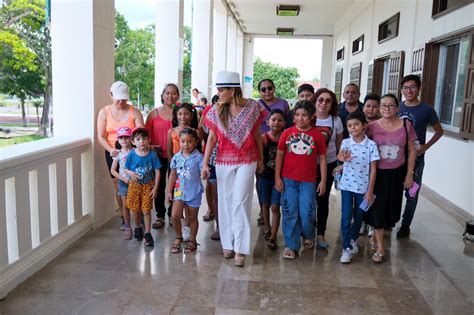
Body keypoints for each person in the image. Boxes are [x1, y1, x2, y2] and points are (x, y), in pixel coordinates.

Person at [201, 71, 265, 267]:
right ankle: (227, 243)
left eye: (221, 90)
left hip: (248, 159)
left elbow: (256, 135)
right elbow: (212, 138)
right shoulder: (216, 110)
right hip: (223, 160)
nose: (218, 94)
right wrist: (205, 163)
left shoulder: (253, 107)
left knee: (241, 200)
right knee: (226, 201)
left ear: (233, 89)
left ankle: (240, 248)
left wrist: (261, 159)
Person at [365, 94, 416, 263]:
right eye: (383, 105)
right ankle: (380, 247)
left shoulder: (406, 125)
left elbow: (412, 151)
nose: (387, 108)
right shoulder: (371, 127)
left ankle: (375, 237)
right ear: (379, 108)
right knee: (378, 208)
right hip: (377, 173)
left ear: (397, 108)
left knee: (391, 210)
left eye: (391, 105)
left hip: (397, 173)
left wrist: (409, 173)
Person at [275, 101, 327, 260]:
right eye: (297, 115)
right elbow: (279, 156)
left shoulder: (317, 135)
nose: (300, 118)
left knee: (307, 212)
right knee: (290, 211)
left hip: (308, 182)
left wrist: (323, 180)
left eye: (304, 115)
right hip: (288, 180)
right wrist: (277, 177)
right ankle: (291, 245)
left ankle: (307, 234)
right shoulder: (287, 133)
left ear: (312, 117)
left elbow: (323, 159)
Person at [397, 74, 443, 238]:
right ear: (401, 90)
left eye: (412, 87)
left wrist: (425, 147)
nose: (409, 91)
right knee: (394, 190)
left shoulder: (427, 109)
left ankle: (405, 225)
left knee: (412, 192)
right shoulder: (397, 107)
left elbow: (439, 131)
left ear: (419, 88)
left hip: (416, 158)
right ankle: (389, 220)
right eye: (405, 88)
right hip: (396, 156)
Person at [97, 81, 144, 226]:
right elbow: (101, 136)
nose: (121, 101)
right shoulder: (104, 112)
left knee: (135, 183)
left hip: (133, 153)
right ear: (111, 95)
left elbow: (141, 133)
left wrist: (136, 150)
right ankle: (125, 216)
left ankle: (138, 213)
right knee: (118, 185)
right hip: (113, 153)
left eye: (124, 98)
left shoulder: (134, 111)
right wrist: (111, 150)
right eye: (118, 98)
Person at [337, 112, 380, 263]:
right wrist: (343, 159)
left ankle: (352, 239)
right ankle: (346, 248)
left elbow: (374, 169)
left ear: (364, 126)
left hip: (363, 188)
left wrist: (370, 191)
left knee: (360, 217)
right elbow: (340, 157)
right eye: (349, 125)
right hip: (346, 186)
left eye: (356, 124)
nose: (352, 127)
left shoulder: (371, 145)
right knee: (346, 216)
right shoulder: (346, 143)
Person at [314, 88, 344, 248]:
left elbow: (340, 145)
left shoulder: (336, 120)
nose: (324, 103)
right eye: (321, 99)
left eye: (328, 100)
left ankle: (321, 234)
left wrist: (341, 165)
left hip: (330, 162)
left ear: (332, 104)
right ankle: (307, 230)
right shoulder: (308, 117)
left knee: (323, 199)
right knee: (308, 199)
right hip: (308, 165)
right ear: (315, 100)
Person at [146, 83, 178, 228]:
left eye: (173, 93)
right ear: (162, 95)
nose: (170, 96)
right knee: (159, 186)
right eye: (167, 93)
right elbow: (145, 135)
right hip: (157, 156)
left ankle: (173, 213)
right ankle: (160, 215)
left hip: (177, 156)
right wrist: (151, 147)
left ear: (177, 96)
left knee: (175, 186)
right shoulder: (154, 113)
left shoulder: (180, 113)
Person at [168, 128, 204, 254]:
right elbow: (172, 174)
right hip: (179, 191)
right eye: (183, 141)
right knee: (175, 216)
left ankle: (192, 240)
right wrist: (169, 190)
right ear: (179, 141)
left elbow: (203, 172)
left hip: (194, 192)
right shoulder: (176, 157)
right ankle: (178, 237)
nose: (186, 144)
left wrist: (206, 173)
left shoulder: (199, 157)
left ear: (195, 142)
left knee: (193, 217)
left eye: (189, 142)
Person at [124, 127, 161, 247]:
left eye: (144, 138)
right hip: (134, 186)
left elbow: (158, 171)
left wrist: (155, 188)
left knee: (146, 210)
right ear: (133, 142)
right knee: (135, 209)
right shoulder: (131, 155)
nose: (142, 141)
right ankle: (138, 227)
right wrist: (130, 173)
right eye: (138, 139)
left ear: (149, 140)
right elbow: (126, 168)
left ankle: (148, 233)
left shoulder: (152, 155)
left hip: (148, 186)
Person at [257, 109, 285, 249]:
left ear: (284, 123)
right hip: (264, 177)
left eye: (280, 120)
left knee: (275, 206)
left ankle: (273, 236)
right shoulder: (263, 137)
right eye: (273, 119)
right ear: (268, 122)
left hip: (278, 178)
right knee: (265, 205)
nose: (276, 123)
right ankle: (267, 228)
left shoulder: (285, 138)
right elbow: (259, 156)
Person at [200, 98, 220, 241]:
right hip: (213, 159)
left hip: (232, 162)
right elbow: (207, 135)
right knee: (216, 193)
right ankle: (219, 226)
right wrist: (205, 162)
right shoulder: (210, 113)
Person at [110, 127, 134, 239]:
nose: (124, 140)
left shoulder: (135, 151)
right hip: (124, 183)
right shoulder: (118, 154)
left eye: (126, 137)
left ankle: (140, 224)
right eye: (121, 138)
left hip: (135, 182)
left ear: (131, 138)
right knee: (125, 206)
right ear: (118, 140)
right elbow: (113, 170)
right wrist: (123, 179)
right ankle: (127, 226)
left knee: (138, 205)